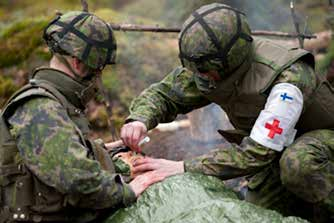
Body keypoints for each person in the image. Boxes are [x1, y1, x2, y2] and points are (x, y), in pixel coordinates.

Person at [121, 3, 334, 221]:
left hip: (323, 143)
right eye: (196, 69)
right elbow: (165, 94)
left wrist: (183, 167)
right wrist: (139, 120)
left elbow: (255, 154)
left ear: (230, 58)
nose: (200, 76)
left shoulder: (288, 79)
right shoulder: (211, 70)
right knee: (255, 215)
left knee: (298, 164)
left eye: (205, 69)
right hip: (276, 151)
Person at [0, 11, 162, 222]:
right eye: (97, 69)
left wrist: (102, 149)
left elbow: (56, 153)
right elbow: (77, 181)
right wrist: (128, 191)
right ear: (77, 63)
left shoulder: (54, 101)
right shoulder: (41, 107)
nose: (97, 77)